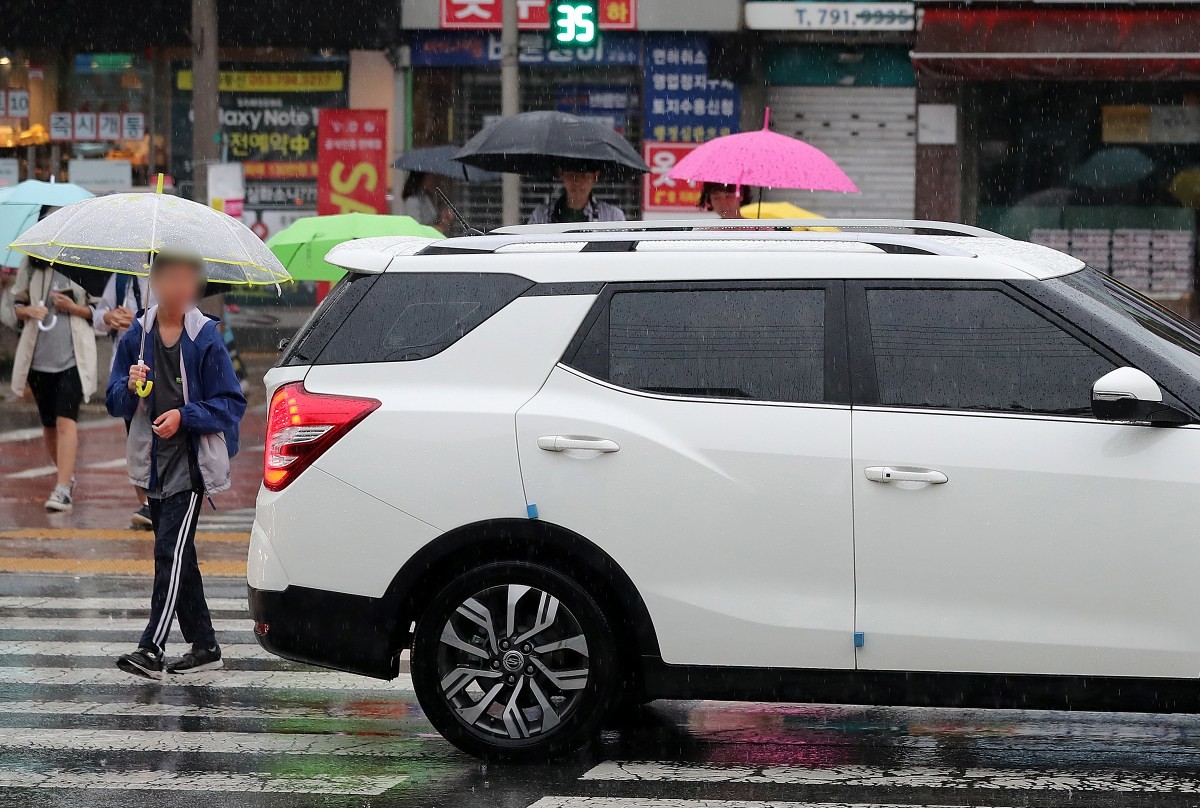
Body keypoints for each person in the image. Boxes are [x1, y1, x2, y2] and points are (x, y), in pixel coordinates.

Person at [110, 252, 247, 679]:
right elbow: (114, 399)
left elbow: (231, 404)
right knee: (179, 556)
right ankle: (205, 646)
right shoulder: (139, 333)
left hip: (191, 466)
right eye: (168, 277)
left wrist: (184, 417)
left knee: (168, 552)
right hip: (152, 464)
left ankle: (152, 646)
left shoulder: (205, 337)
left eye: (185, 278)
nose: (177, 286)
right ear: (155, 281)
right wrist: (130, 386)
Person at [11, 256, 98, 512]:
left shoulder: (84, 262)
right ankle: (66, 477)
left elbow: (99, 311)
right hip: (38, 358)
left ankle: (62, 489)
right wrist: (29, 311)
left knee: (65, 420)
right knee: (49, 424)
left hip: (74, 359)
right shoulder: (32, 262)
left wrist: (74, 307)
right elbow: (17, 304)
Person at [94, 273, 156, 528]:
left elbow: (176, 319)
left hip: (159, 369)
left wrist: (140, 321)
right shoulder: (122, 279)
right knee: (135, 437)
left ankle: (155, 501)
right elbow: (99, 316)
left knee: (158, 437)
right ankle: (147, 503)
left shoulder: (169, 280)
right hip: (127, 371)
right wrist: (109, 318)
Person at [527, 161, 626, 224]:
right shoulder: (541, 216)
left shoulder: (613, 217)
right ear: (561, 174)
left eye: (584, 176)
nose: (577, 182)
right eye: (571, 175)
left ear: (595, 176)